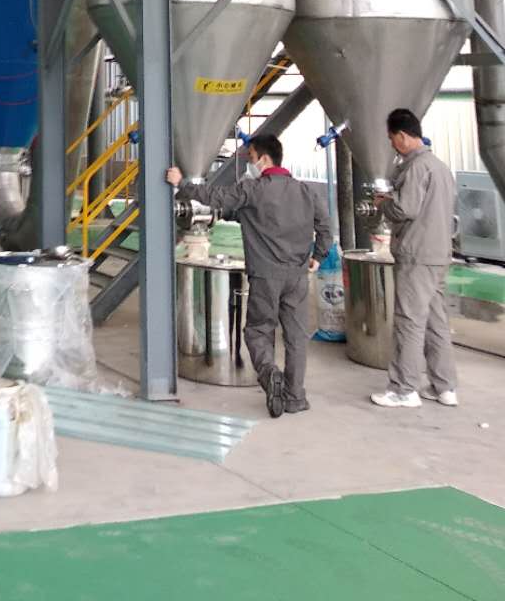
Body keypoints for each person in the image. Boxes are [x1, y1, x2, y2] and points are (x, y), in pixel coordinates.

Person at [166, 134, 332, 418]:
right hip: (297, 276)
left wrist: (182, 183)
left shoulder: (253, 189)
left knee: (257, 331)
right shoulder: (306, 191)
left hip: (266, 275)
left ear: (264, 159)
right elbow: (326, 227)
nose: (249, 163)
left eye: (251, 157)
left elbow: (215, 197)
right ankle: (295, 397)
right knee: (296, 337)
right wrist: (318, 255)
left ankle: (269, 374)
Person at [369, 108, 459, 409]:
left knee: (409, 321)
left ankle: (403, 389)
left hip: (416, 254)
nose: (392, 145)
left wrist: (383, 203)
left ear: (402, 136)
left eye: (392, 139)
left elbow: (404, 209)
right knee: (436, 321)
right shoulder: (440, 167)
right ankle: (444, 387)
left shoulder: (417, 168)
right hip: (439, 254)